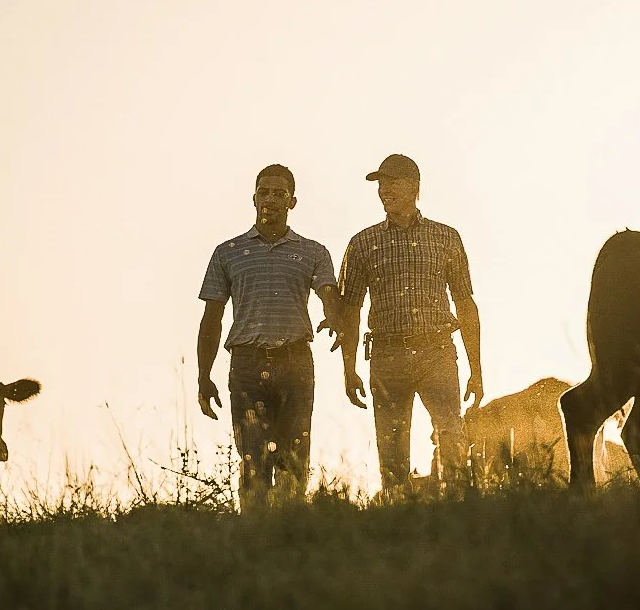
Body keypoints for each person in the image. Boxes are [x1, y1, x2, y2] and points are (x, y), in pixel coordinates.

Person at [197, 164, 343, 501]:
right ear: (253, 198)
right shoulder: (228, 252)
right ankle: (254, 535)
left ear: (293, 202)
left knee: (293, 458)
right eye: (264, 192)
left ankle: (290, 533)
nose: (271, 199)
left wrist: (333, 316)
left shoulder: (312, 251)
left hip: (294, 361)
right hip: (246, 364)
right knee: (252, 459)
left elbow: (328, 293)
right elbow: (211, 318)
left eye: (279, 193)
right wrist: (204, 376)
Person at [338, 153, 484, 489]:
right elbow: (351, 309)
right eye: (381, 184)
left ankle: (455, 511)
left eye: (392, 182)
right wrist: (348, 369)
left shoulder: (446, 237)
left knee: (451, 438)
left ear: (414, 186)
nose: (385, 190)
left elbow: (465, 302)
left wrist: (476, 370)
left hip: (437, 351)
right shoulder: (363, 243)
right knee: (392, 453)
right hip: (387, 355)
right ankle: (397, 523)